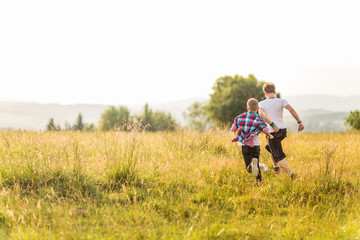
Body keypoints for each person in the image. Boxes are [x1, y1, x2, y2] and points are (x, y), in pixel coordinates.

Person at [258, 82, 304, 179]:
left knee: (278, 157)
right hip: (282, 131)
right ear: (274, 92)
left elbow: (261, 114)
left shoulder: (262, 103)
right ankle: (276, 169)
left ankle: (292, 176)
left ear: (265, 93)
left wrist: (272, 124)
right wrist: (299, 122)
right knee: (270, 148)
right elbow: (291, 110)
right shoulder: (282, 101)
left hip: (273, 132)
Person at [231, 98, 273, 183]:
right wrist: (270, 136)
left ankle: (253, 167)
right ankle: (259, 182)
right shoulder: (259, 119)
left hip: (244, 145)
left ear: (247, 108)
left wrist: (238, 128)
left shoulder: (240, 117)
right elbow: (265, 129)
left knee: (249, 167)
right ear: (258, 109)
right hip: (255, 146)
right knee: (256, 165)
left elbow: (233, 128)